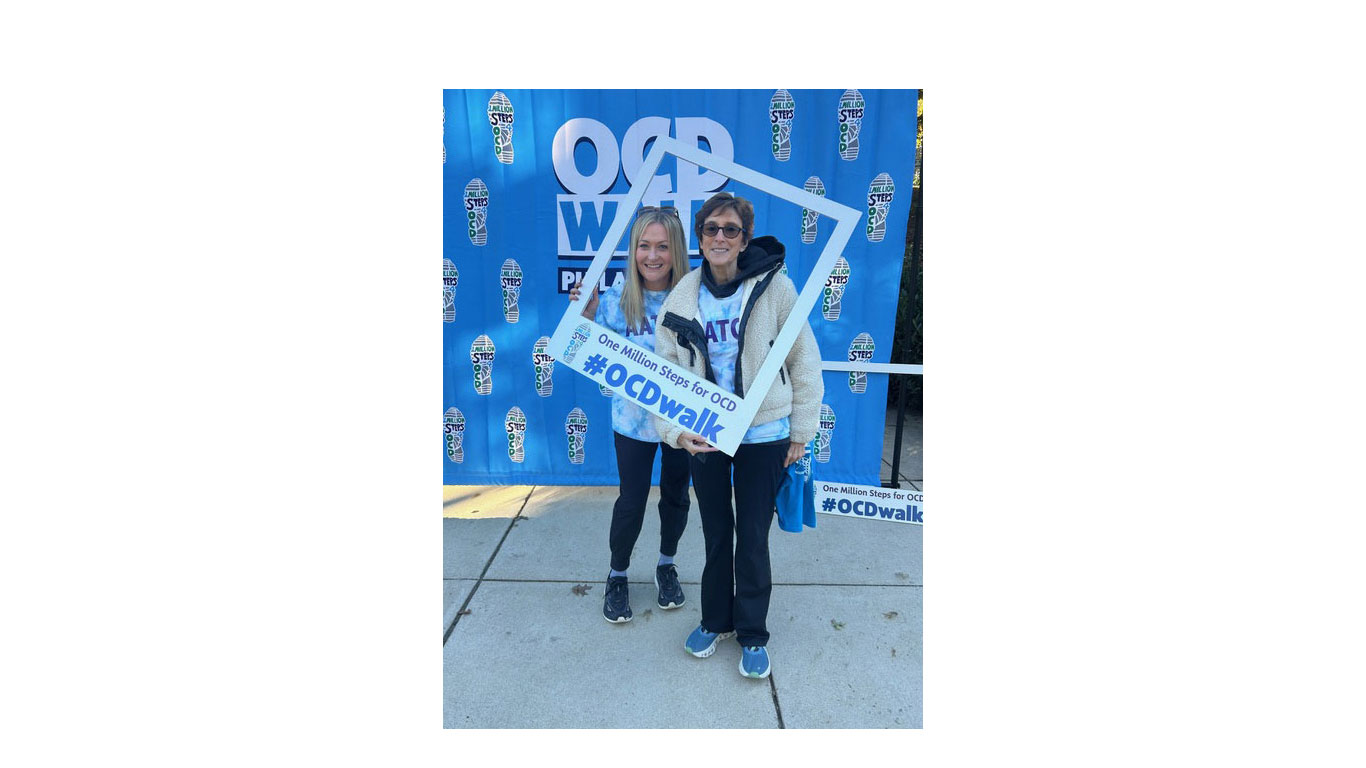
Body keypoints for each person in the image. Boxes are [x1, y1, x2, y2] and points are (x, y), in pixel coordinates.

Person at [651, 191, 823, 680]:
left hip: (765, 431)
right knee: (715, 533)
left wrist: (801, 431)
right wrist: (675, 431)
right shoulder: (682, 296)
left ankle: (752, 632)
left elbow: (804, 359)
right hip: (705, 433)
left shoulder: (776, 288)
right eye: (712, 229)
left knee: (751, 537)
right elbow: (664, 373)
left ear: (745, 239)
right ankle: (715, 621)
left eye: (731, 229)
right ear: (700, 238)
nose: (721, 237)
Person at [570, 206, 694, 624]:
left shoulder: (695, 300)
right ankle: (618, 573)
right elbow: (584, 353)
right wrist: (586, 316)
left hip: (682, 423)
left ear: (676, 251)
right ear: (633, 251)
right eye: (644, 246)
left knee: (676, 496)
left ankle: (666, 565)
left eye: (663, 246)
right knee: (632, 500)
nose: (653, 256)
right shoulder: (616, 300)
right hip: (633, 423)